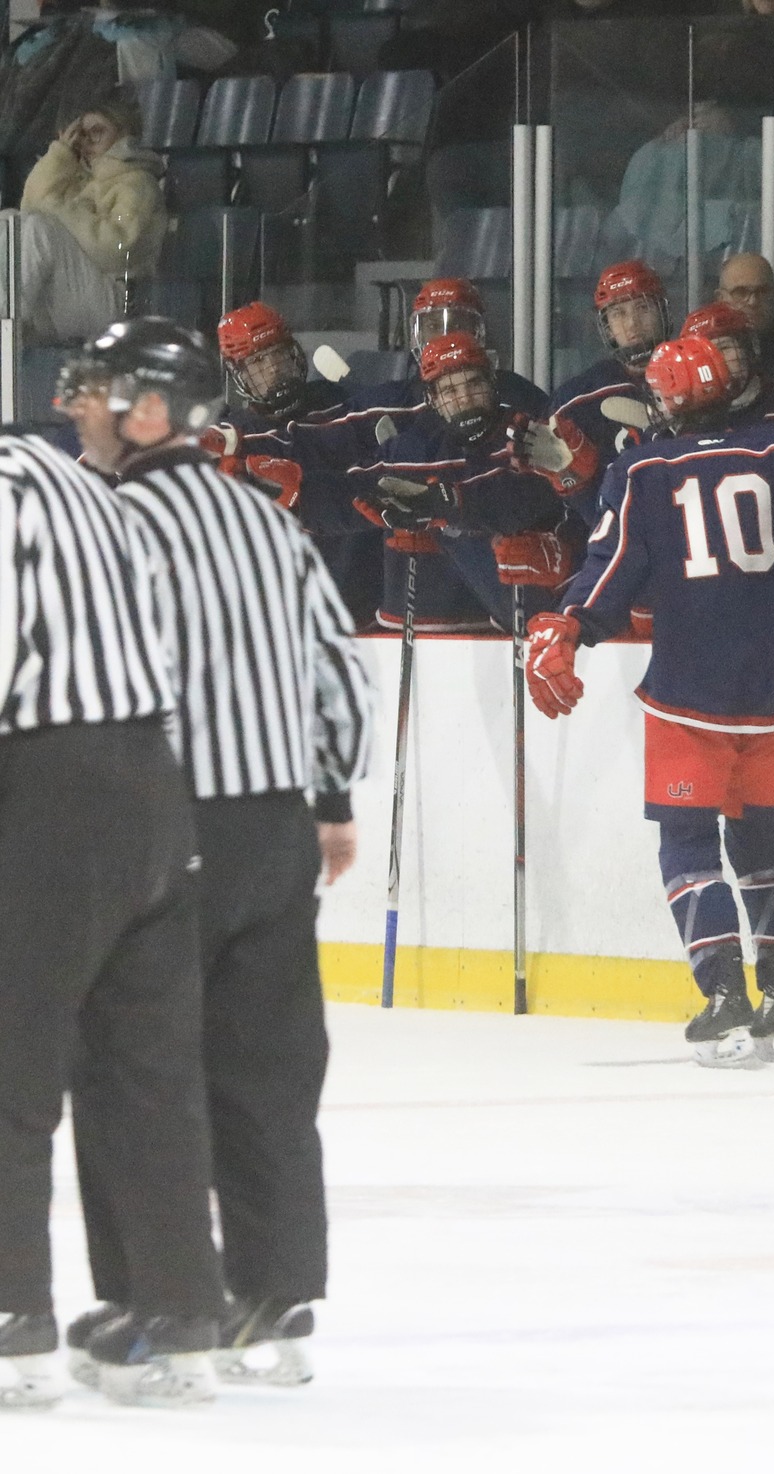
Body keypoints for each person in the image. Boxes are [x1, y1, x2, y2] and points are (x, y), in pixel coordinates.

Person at [56, 317, 373, 1391]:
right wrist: (329, 800)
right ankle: (274, 1302)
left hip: (158, 826)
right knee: (266, 1067)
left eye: (100, 390)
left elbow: (94, 683)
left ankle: (162, 1307)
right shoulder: (264, 519)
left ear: (152, 410)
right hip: (275, 830)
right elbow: (339, 673)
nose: (82, 407)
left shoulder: (105, 522)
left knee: (131, 1067)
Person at [526, 334, 774, 1067]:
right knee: (764, 840)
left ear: (666, 402)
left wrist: (570, 626)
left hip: (692, 689)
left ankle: (723, 993)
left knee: (687, 840)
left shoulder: (643, 468)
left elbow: (612, 567)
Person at [0, 420, 225, 1411]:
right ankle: (176, 1323)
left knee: (11, 1063)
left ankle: (13, 1322)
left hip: (51, 782)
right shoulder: (79, 483)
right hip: (151, 784)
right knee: (145, 1072)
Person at [302, 277, 550, 634]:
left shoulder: (518, 401)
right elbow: (343, 478)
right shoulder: (399, 417)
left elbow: (536, 492)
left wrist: (448, 513)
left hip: (500, 588)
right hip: (420, 599)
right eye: (433, 325)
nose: (445, 335)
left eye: (458, 323)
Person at [352, 332, 576, 634]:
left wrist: (449, 510)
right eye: (450, 390)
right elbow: (359, 486)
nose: (465, 398)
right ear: (433, 399)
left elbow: (526, 501)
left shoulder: (525, 432)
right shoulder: (424, 447)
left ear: (491, 384)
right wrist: (421, 522)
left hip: (552, 601)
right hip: (485, 605)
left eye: (473, 384)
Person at [212, 302, 380, 628]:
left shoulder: (344, 405)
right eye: (258, 362)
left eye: (278, 355)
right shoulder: (236, 438)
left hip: (360, 595)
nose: (273, 369)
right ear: (238, 374)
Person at [12, 94, 163, 343]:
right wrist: (61, 154)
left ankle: (6, 321)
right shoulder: (84, 179)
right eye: (82, 134)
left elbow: (119, 250)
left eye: (97, 132)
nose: (86, 142)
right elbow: (30, 207)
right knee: (9, 221)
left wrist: (63, 212)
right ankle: (8, 322)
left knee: (39, 228)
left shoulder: (138, 183)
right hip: (75, 295)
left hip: (117, 300)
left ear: (124, 135)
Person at [545, 258, 670, 518]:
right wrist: (574, 477)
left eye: (643, 307)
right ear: (607, 326)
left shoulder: (698, 376)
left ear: (662, 311)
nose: (632, 324)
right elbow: (569, 510)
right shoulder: (576, 400)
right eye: (618, 313)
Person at [715, 252, 774, 398]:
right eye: (740, 292)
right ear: (720, 299)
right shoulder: (705, 359)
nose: (753, 302)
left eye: (763, 292)